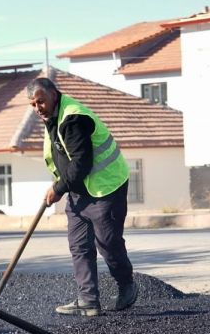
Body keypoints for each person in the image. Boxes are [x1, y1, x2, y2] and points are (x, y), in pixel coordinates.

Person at [27, 77, 137, 317]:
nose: (37, 108)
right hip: (78, 190)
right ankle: (88, 301)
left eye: (40, 102)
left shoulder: (74, 118)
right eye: (33, 104)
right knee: (79, 246)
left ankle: (126, 284)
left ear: (53, 94)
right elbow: (64, 157)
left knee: (108, 243)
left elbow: (82, 162)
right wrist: (62, 185)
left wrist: (58, 188)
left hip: (105, 187)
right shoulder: (52, 118)